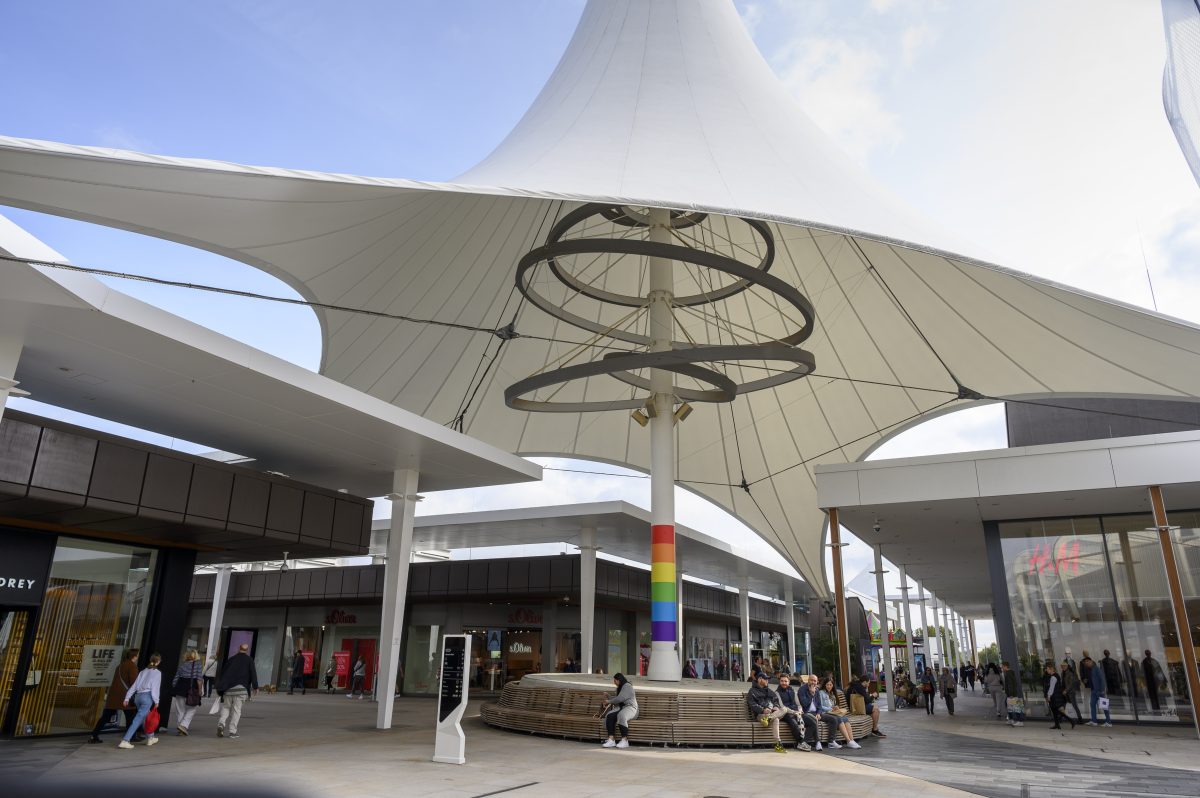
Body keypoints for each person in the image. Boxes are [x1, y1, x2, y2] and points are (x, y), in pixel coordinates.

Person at [89, 647, 140, 744]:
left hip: (114, 696)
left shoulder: (120, 665)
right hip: (125, 696)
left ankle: (94, 735)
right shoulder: (132, 666)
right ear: (134, 656)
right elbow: (134, 683)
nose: (138, 657)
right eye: (137, 655)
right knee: (131, 717)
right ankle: (131, 736)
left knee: (105, 717)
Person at [215, 642, 259, 739]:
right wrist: (255, 687)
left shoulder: (231, 659)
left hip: (228, 689)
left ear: (239, 648)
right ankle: (232, 732)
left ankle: (221, 724)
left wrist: (220, 687)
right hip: (241, 689)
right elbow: (253, 673)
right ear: (247, 650)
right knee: (236, 710)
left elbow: (223, 673)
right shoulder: (249, 660)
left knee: (226, 707)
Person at [119, 652, 161, 749]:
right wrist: (156, 701)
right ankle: (125, 740)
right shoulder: (157, 673)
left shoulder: (143, 671)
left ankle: (150, 737)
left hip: (138, 697)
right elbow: (155, 688)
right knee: (138, 719)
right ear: (158, 662)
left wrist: (127, 697)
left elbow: (134, 685)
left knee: (144, 717)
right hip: (147, 697)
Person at [745, 670, 790, 753]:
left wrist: (776, 707)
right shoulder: (752, 691)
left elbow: (775, 700)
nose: (767, 681)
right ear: (759, 679)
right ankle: (778, 744)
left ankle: (769, 719)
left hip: (771, 713)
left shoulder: (768, 690)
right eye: (765, 679)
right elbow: (753, 705)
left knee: (784, 709)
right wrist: (763, 710)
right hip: (760, 715)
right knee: (776, 719)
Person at [818, 676, 860, 749]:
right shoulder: (821, 693)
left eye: (830, 685)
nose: (829, 686)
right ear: (824, 685)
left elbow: (833, 705)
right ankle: (848, 741)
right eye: (827, 684)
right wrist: (831, 709)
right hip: (824, 713)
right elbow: (820, 706)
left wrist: (836, 707)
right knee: (839, 719)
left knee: (845, 719)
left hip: (832, 713)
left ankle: (851, 740)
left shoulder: (832, 694)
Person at [170, 647, 204, 736]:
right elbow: (199, 679)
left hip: (180, 690)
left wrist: (174, 687)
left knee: (180, 710)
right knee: (192, 709)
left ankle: (181, 728)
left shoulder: (182, 665)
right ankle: (183, 725)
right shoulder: (198, 665)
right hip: (191, 690)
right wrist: (200, 691)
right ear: (196, 656)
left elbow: (175, 679)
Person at [775, 674, 813, 751]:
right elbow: (782, 706)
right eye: (782, 681)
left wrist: (800, 710)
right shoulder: (777, 692)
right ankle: (801, 742)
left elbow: (798, 704)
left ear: (789, 682)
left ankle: (803, 742)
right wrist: (793, 712)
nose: (784, 683)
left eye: (785, 681)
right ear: (779, 681)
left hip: (797, 712)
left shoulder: (793, 691)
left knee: (812, 723)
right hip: (786, 713)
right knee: (794, 724)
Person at [600, 672, 638, 748]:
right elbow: (617, 698)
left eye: (615, 681)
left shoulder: (627, 686)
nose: (614, 683)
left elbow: (620, 698)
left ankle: (625, 740)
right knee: (610, 716)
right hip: (622, 708)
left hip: (631, 708)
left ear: (619, 680)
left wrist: (609, 701)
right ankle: (611, 740)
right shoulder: (620, 687)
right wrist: (609, 696)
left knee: (621, 715)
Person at [1044, 662, 1075, 729]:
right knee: (1054, 711)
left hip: (1054, 696)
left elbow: (1051, 688)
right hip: (1056, 695)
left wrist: (1048, 696)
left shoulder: (1053, 677)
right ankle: (1057, 724)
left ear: (1051, 669)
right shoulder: (1056, 675)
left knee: (1056, 711)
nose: (1046, 670)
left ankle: (1071, 720)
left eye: (1047, 669)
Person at [1085, 655, 1111, 727]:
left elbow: (1102, 679)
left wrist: (1102, 690)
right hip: (1094, 691)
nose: (1086, 664)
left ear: (1091, 662)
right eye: (1086, 663)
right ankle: (1094, 721)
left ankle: (1108, 722)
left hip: (1100, 691)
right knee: (1092, 705)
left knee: (1104, 706)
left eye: (1088, 662)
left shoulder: (1097, 669)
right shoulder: (1090, 670)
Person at [1002, 661, 1024, 726]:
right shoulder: (1010, 673)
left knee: (1015, 707)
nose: (1002, 668)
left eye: (1003, 666)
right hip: (1011, 693)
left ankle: (1019, 721)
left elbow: (1010, 684)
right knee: (1010, 706)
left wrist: (1011, 693)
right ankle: (1011, 719)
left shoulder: (1008, 674)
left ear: (1006, 666)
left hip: (1011, 694)